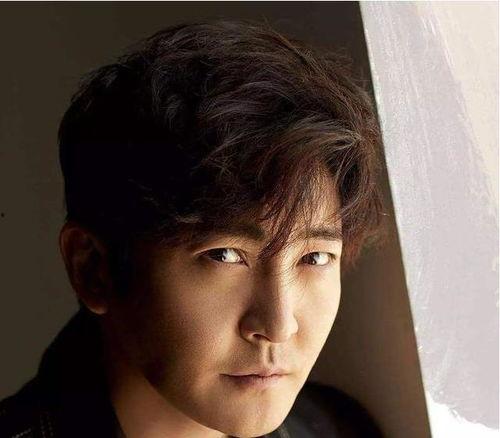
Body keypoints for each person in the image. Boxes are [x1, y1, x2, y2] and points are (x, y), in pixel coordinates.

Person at [0, 19, 385, 438]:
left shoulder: (337, 428)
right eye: (225, 255)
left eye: (315, 257)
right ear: (93, 268)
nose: (278, 326)